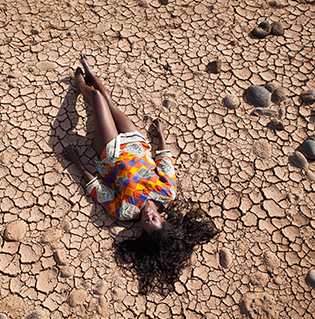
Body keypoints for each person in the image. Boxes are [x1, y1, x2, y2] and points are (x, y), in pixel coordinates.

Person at [63, 54, 219, 294]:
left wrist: (76, 163)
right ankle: (91, 74)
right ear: (163, 219)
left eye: (146, 224)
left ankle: (81, 83)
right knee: (110, 102)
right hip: (137, 142)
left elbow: (98, 189)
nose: (148, 218)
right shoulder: (167, 193)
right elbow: (164, 160)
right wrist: (161, 134)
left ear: (142, 229)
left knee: (96, 99)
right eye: (154, 220)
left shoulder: (126, 212)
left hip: (111, 150)